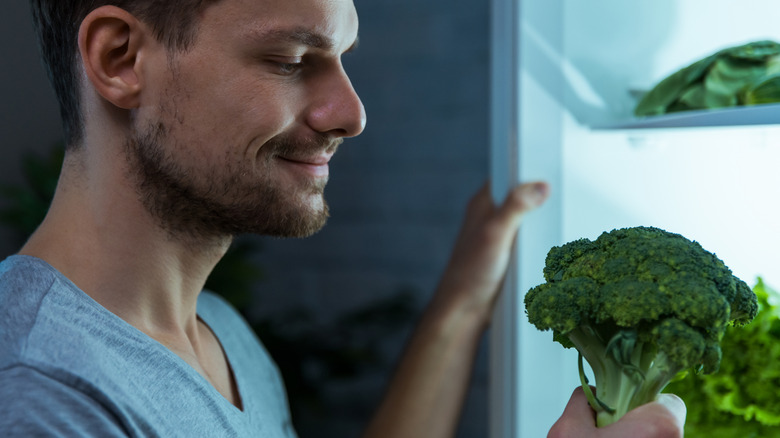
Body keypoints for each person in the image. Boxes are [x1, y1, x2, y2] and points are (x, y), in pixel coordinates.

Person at [0, 0, 685, 436]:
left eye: (341, 61)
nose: (352, 114)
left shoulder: (220, 335)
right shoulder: (44, 397)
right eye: (292, 59)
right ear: (120, 59)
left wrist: (464, 298)